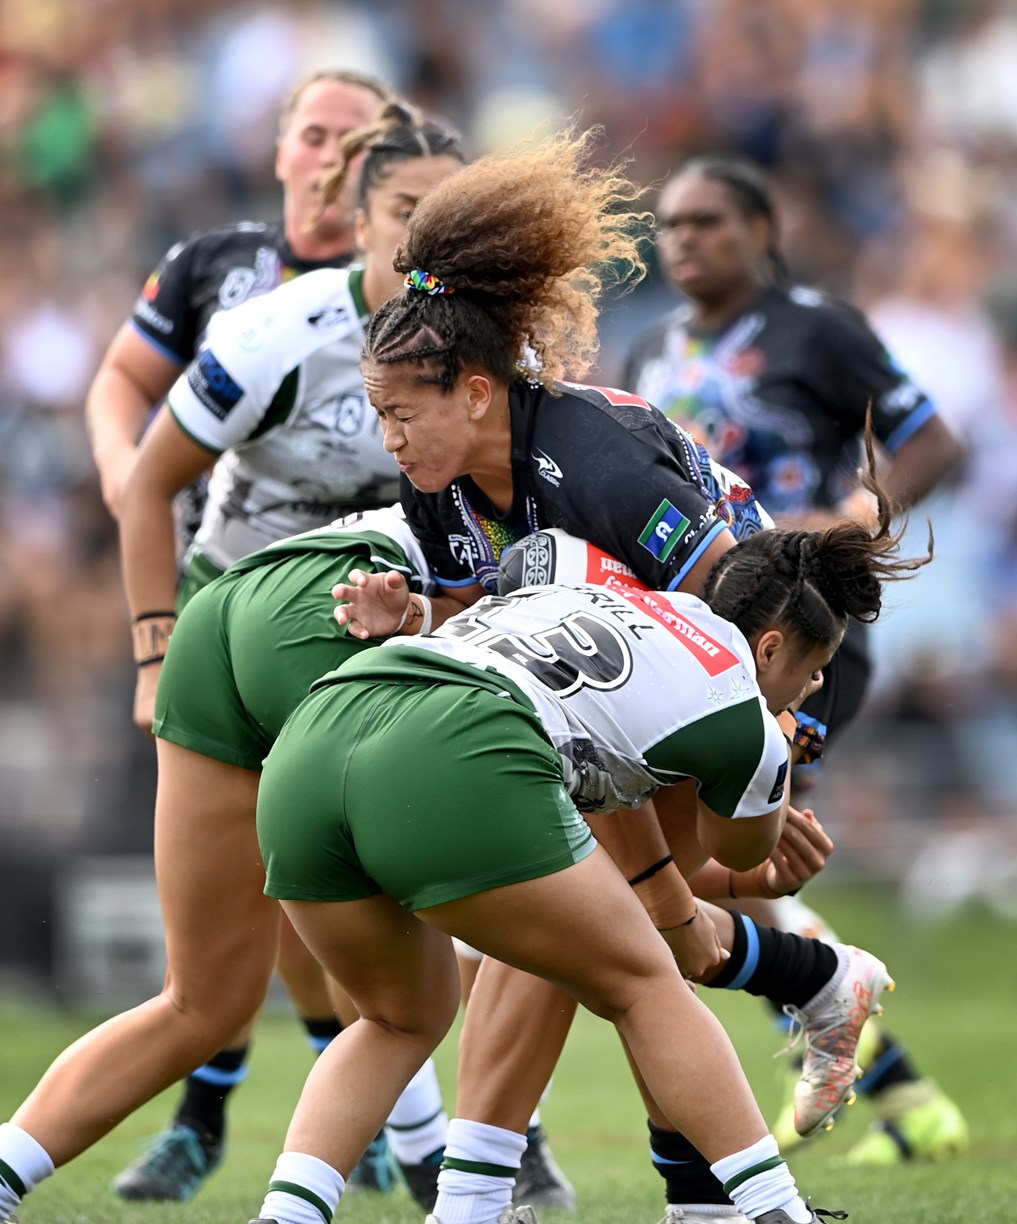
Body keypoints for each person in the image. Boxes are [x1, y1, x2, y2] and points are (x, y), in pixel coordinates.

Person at [241, 481, 929, 1224]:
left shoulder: (599, 587)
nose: (815, 684)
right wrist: (777, 794)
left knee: (395, 1020)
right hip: (453, 745)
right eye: (814, 666)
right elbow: (734, 853)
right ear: (769, 648)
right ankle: (775, 1211)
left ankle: (302, 1216)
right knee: (644, 978)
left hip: (312, 741)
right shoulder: (740, 709)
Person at [112, 98, 465, 1205]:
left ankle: (452, 1144)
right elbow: (148, 485)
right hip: (236, 634)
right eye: (405, 211)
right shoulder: (275, 332)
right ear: (359, 220)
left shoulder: (487, 341)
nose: (424, 236)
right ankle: (419, 1149)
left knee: (377, 889)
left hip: (382, 633)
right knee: (272, 926)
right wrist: (153, 654)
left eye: (447, 215)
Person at [620, 152, 968, 1201]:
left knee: (729, 850)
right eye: (671, 223)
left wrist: (849, 520)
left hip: (802, 636)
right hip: (692, 639)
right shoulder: (649, 348)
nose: (685, 239)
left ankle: (858, 1052)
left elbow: (931, 443)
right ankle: (892, 1083)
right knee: (705, 858)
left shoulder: (817, 328)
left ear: (761, 231)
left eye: (709, 221)